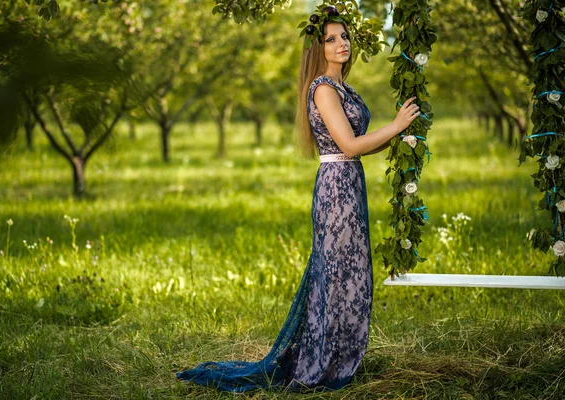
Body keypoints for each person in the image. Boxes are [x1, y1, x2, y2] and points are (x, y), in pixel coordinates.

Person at [176, 7, 420, 393]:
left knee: (351, 276)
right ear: (318, 48)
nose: (342, 43)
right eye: (331, 39)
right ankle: (322, 364)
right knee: (336, 276)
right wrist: (395, 125)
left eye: (344, 37)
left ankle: (340, 357)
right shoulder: (323, 88)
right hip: (335, 191)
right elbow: (349, 145)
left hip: (350, 183)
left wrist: (398, 138)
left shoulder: (345, 89)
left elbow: (358, 149)